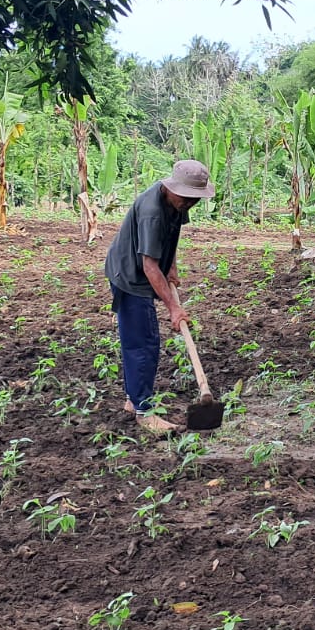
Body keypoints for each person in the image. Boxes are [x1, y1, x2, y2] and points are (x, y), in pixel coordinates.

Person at [104, 160, 215, 434]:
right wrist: (174, 308)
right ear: (172, 188)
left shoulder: (178, 202)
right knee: (143, 342)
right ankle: (144, 411)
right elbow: (149, 266)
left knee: (142, 340)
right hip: (131, 275)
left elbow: (171, 236)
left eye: (195, 199)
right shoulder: (153, 211)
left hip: (145, 268)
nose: (190, 203)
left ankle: (133, 399)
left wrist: (173, 265)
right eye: (187, 197)